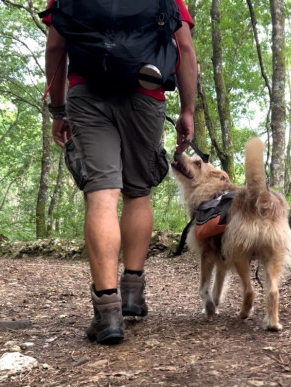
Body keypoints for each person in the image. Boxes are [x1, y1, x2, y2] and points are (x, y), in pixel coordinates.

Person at [43, 1, 197, 345]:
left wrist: (57, 107)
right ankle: (132, 294)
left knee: (101, 194)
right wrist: (187, 110)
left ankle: (108, 313)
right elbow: (184, 48)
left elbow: (56, 46)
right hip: (146, 92)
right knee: (138, 191)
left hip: (87, 92)